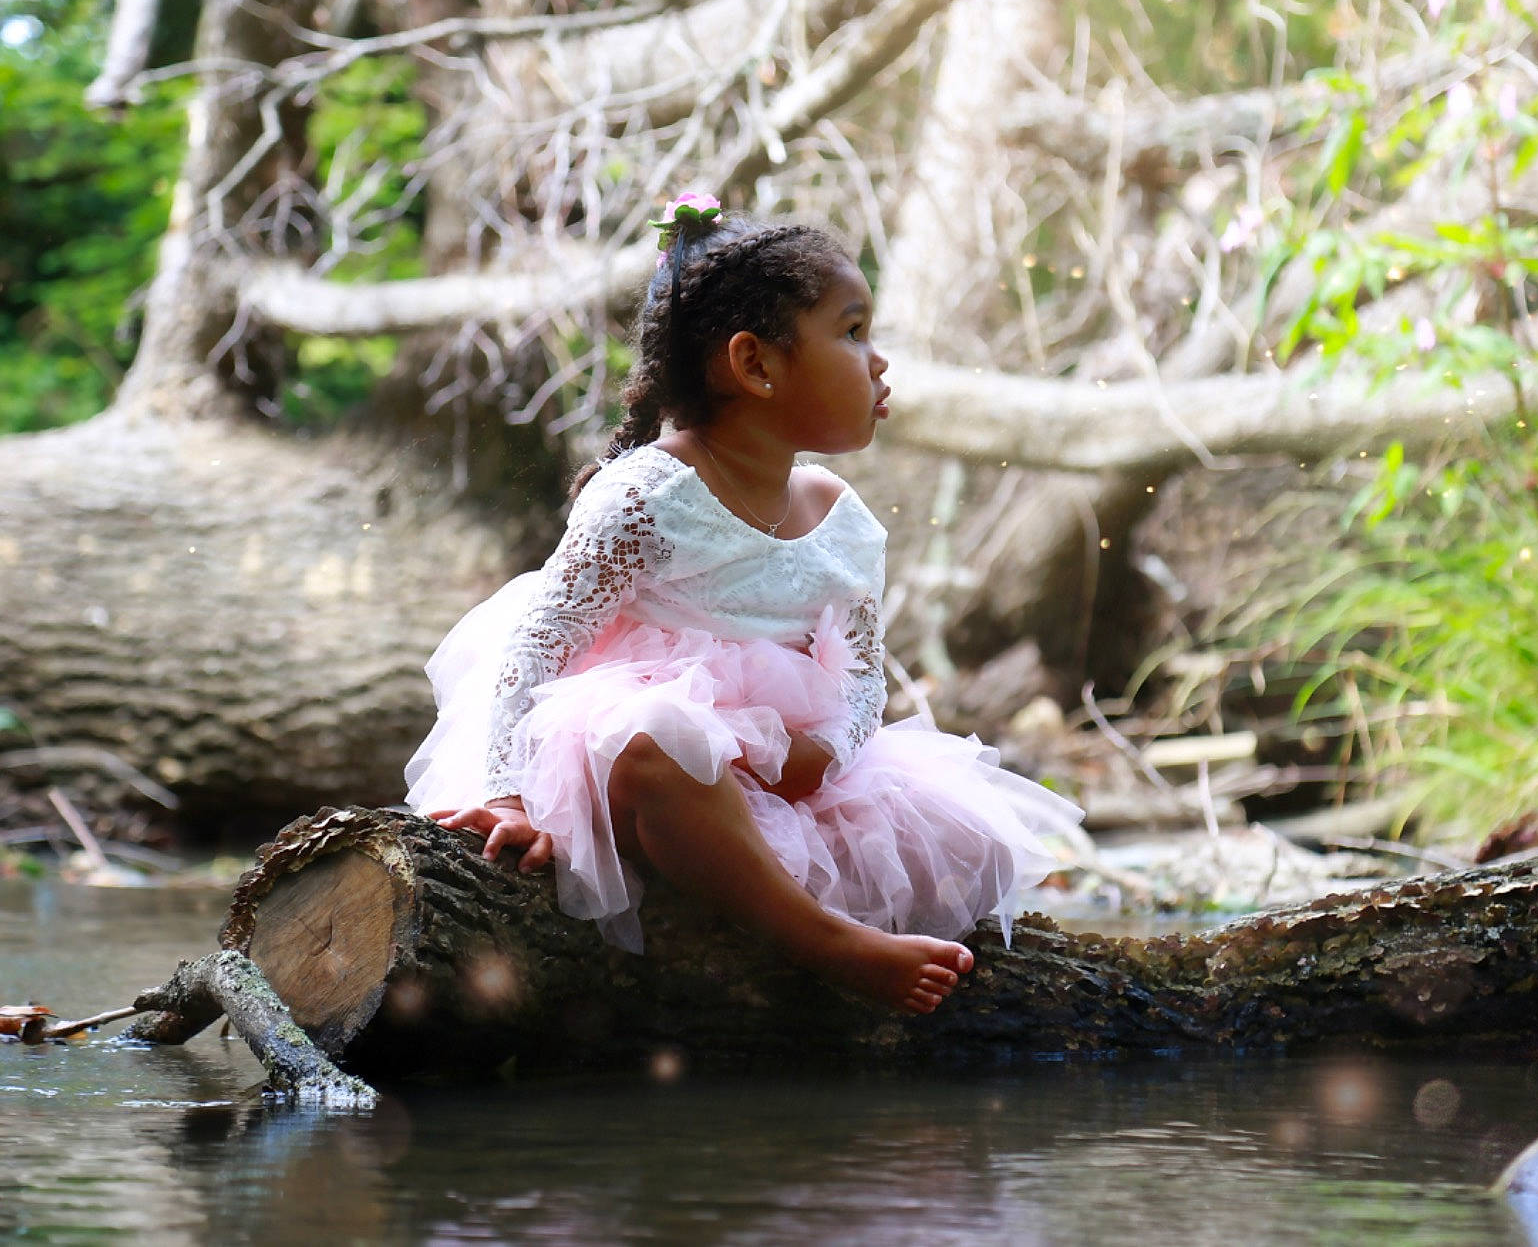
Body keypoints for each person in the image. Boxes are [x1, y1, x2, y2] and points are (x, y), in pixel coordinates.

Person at [404, 194, 1086, 1015]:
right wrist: (510, 794)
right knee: (668, 739)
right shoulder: (647, 497)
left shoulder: (841, 521)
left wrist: (824, 754)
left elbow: (865, 680)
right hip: (635, 760)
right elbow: (536, 649)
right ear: (756, 366)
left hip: (781, 773)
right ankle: (829, 944)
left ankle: (779, 917)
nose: (879, 362)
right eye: (853, 330)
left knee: (970, 836)